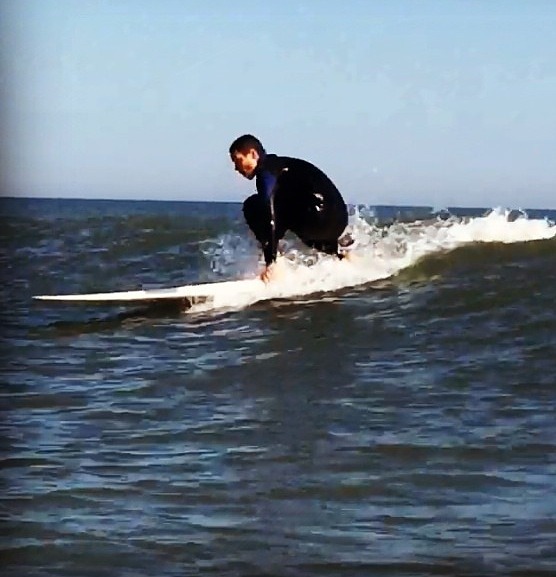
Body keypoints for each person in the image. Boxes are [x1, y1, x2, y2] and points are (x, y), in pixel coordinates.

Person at [229, 134, 349, 282]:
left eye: (238, 160)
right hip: (339, 221)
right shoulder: (283, 164)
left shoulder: (266, 170)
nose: (236, 168)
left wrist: (270, 261)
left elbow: (268, 207)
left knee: (253, 205)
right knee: (294, 205)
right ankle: (342, 256)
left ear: (253, 154)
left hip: (315, 219)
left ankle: (275, 267)